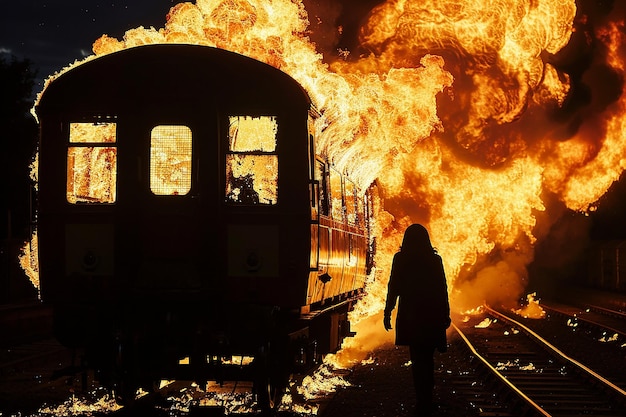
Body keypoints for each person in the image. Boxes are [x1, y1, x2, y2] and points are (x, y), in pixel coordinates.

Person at [383, 224, 451, 417]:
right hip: (431, 316)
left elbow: (393, 287)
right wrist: (445, 314)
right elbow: (442, 289)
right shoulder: (434, 260)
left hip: (411, 316)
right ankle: (427, 398)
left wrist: (388, 312)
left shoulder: (401, 259)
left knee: (417, 359)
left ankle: (422, 400)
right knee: (428, 359)